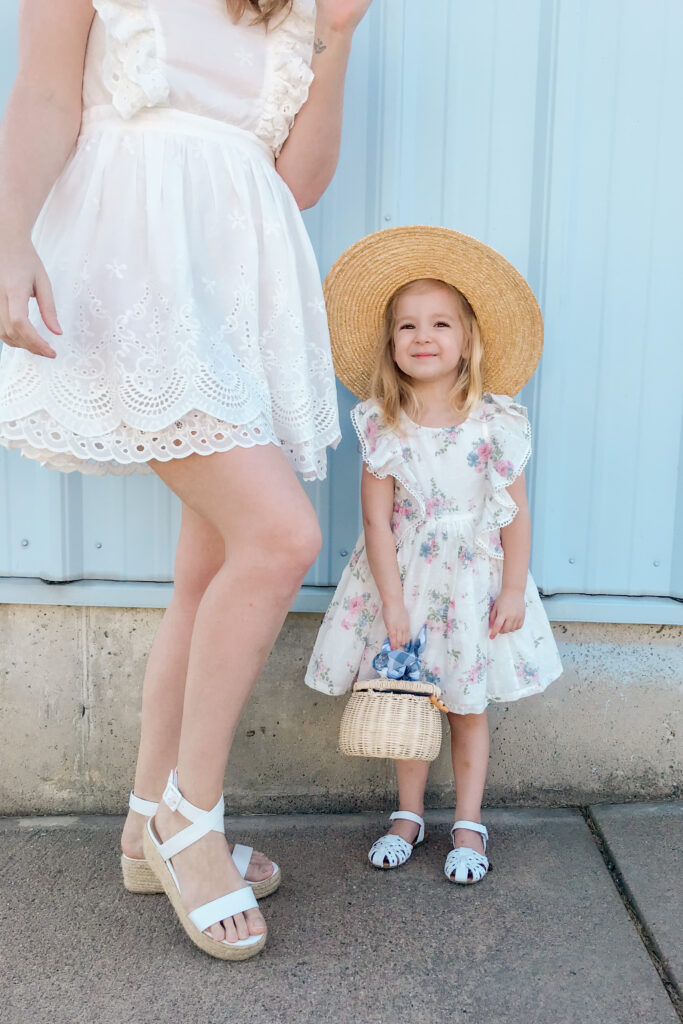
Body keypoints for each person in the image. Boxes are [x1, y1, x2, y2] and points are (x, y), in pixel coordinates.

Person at [0, 0, 372, 960]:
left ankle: (141, 822)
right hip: (133, 272)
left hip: (242, 294)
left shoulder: (289, 9)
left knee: (206, 577)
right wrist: (7, 233)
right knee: (280, 537)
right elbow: (44, 94)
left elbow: (297, 179)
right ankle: (188, 818)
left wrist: (337, 35)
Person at [306, 225, 563, 884]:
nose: (423, 336)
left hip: (473, 584)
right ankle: (408, 813)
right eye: (407, 326)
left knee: (466, 704)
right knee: (410, 697)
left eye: (440, 323)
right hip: (405, 581)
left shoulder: (494, 423)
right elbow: (374, 521)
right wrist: (391, 603)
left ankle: (469, 822)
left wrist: (511, 589)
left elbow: (515, 513)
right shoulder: (381, 425)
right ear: (390, 346)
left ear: (467, 340)